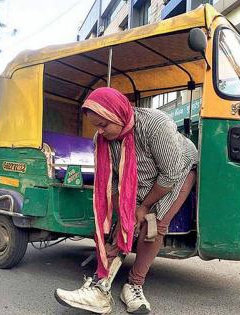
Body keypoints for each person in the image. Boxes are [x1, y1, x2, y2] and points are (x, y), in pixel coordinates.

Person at [55, 87, 198, 314]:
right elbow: (110, 181)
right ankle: (99, 286)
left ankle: (134, 285)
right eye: (96, 126)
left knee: (154, 225)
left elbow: (169, 174)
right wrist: (126, 213)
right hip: (136, 181)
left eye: (104, 125)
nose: (100, 132)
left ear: (119, 115)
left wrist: (144, 207)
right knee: (123, 225)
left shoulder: (155, 125)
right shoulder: (101, 140)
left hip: (176, 174)